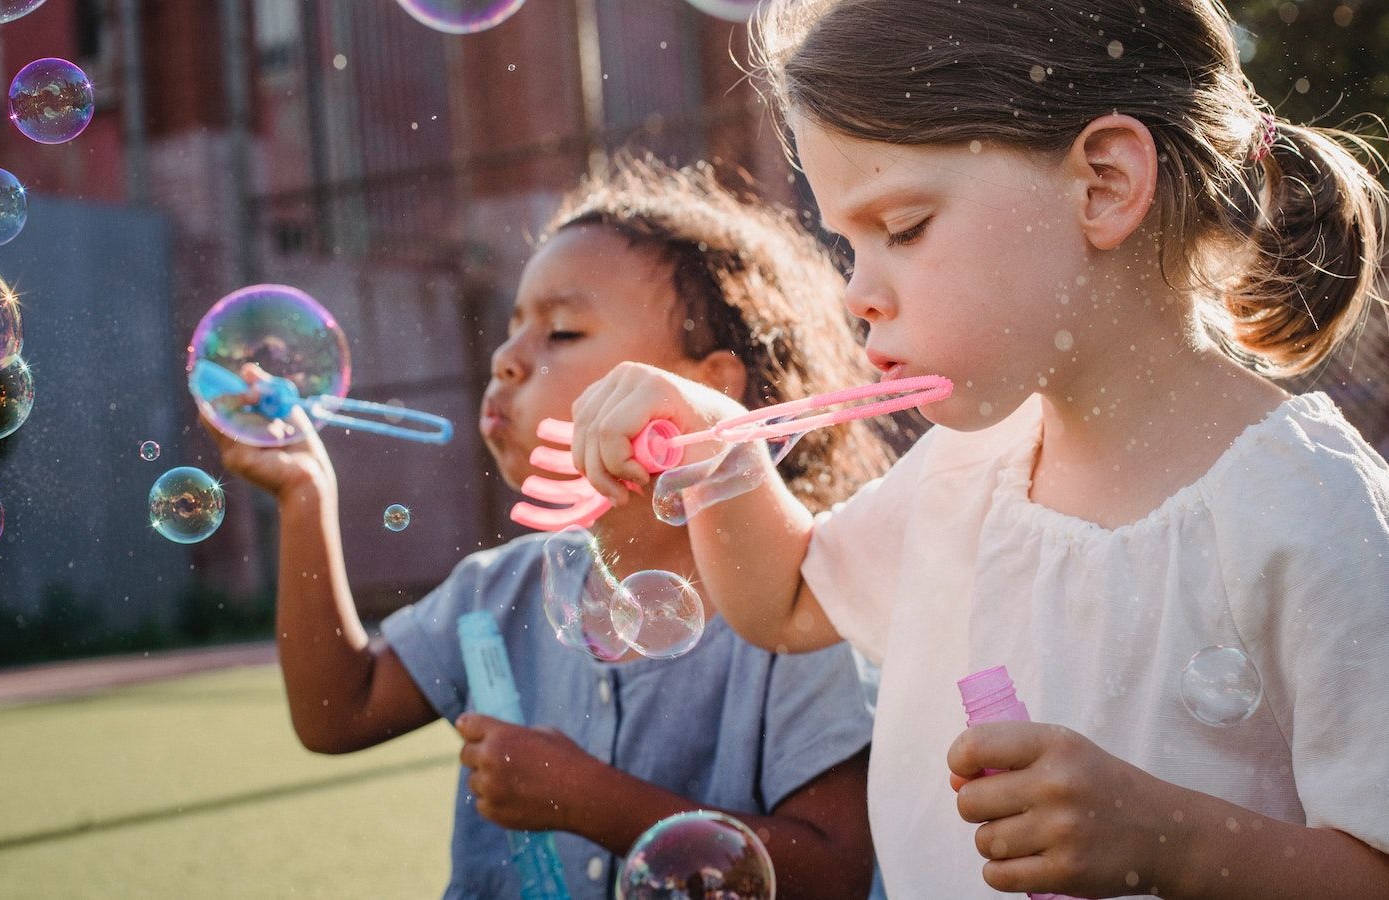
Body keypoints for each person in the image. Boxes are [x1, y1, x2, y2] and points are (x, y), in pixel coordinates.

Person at [564, 2, 1389, 897]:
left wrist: (1170, 842)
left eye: (902, 228)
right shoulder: (970, 473)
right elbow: (789, 596)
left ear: (1103, 185)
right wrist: (716, 448)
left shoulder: (1307, 511)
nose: (860, 293)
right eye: (849, 244)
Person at [205, 154, 889, 899]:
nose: (506, 359)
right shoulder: (500, 589)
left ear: (705, 389)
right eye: (512, 327)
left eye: (561, 332)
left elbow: (835, 870)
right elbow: (339, 711)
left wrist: (591, 800)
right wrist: (306, 495)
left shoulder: (793, 607)